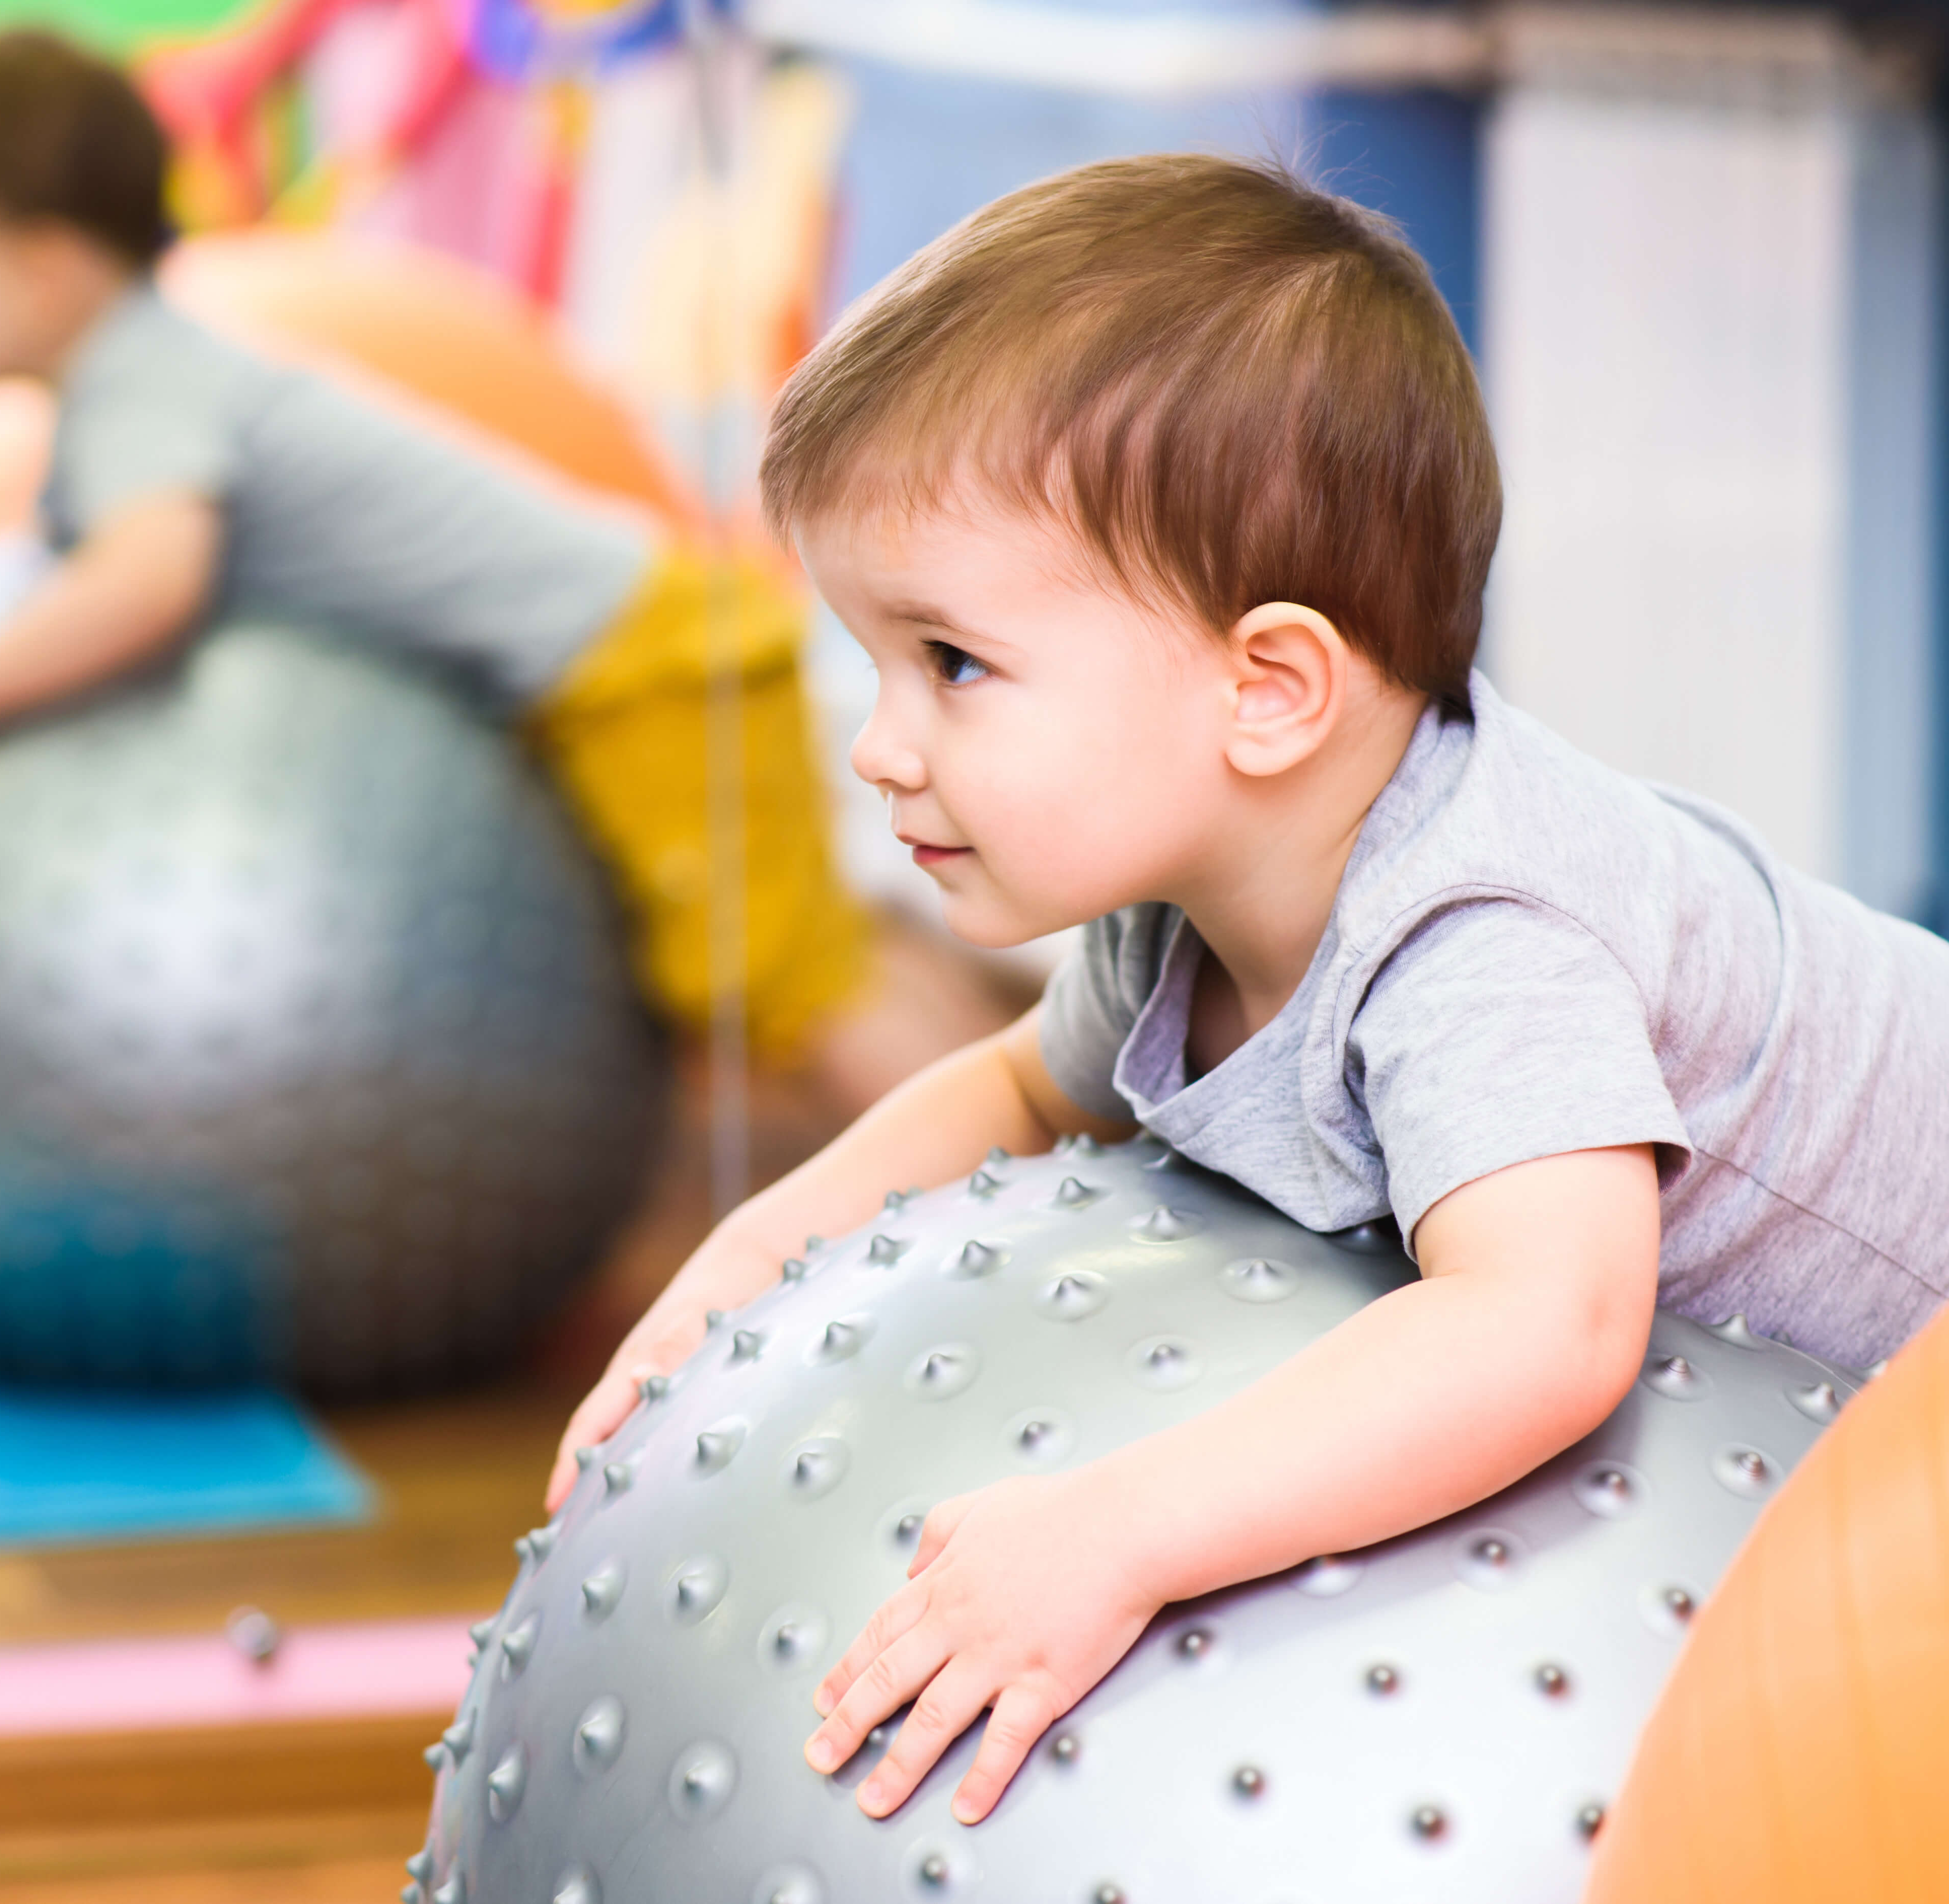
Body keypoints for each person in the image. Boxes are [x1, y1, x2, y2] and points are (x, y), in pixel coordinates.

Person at [546, 153, 1949, 1827]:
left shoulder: (1473, 933)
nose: (876, 745)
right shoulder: (1188, 905)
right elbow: (1007, 1092)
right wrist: (730, 1288)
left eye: (953, 665)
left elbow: (1539, 1324)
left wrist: (1115, 1527)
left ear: (1266, 686)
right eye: (875, 662)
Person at [0, 28, 1004, 1104]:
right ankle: (1021, 1151)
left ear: (41, 270)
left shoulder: (139, 390)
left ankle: (999, 1202)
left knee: (785, 995)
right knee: (820, 963)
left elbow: (142, 585)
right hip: (654, 632)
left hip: (636, 664)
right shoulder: (146, 374)